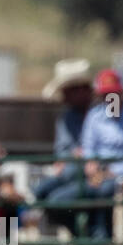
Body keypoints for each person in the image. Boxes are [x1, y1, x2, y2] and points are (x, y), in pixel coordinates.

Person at [68, 69, 123, 239]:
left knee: (104, 189)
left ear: (121, 93)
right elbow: (88, 147)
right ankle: (86, 234)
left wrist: (109, 173)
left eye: (114, 94)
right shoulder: (95, 116)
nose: (111, 99)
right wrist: (91, 165)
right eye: (107, 95)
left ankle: (101, 237)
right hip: (97, 172)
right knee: (63, 190)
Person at [33, 58, 94, 232]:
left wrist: (78, 155)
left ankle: (84, 235)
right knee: (40, 193)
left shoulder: (100, 115)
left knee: (52, 197)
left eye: (68, 91)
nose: (64, 96)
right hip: (73, 172)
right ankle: (81, 233)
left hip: (87, 172)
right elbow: (62, 151)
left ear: (81, 90)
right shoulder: (67, 117)